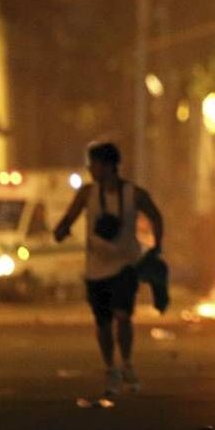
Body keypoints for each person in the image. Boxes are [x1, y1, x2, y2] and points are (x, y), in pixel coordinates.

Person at [53, 142, 164, 396]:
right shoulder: (87, 193)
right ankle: (110, 368)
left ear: (109, 166)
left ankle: (126, 363)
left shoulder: (133, 194)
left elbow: (155, 216)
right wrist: (61, 230)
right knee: (103, 324)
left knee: (123, 316)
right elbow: (69, 217)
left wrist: (157, 246)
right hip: (95, 269)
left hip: (126, 265)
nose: (90, 169)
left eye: (94, 164)